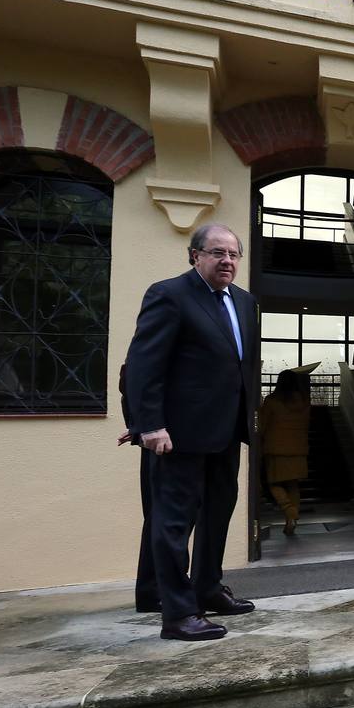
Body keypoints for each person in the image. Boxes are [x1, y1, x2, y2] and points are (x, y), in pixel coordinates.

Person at [125, 223, 259, 641]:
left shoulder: (244, 301)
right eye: (217, 252)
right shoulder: (169, 295)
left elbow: (242, 368)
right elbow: (144, 365)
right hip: (177, 434)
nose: (227, 261)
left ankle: (207, 587)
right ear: (195, 256)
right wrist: (147, 425)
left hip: (226, 431)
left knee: (218, 513)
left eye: (234, 254)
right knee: (173, 522)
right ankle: (179, 613)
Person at [117, 363, 160, 614]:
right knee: (161, 518)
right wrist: (141, 426)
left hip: (182, 438)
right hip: (164, 441)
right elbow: (132, 375)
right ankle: (152, 592)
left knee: (168, 519)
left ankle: (157, 590)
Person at [257, 367, 313, 536]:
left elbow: (261, 424)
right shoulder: (304, 402)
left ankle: (290, 511)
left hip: (276, 449)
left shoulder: (272, 401)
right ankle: (292, 518)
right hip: (298, 448)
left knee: (273, 483)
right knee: (293, 484)